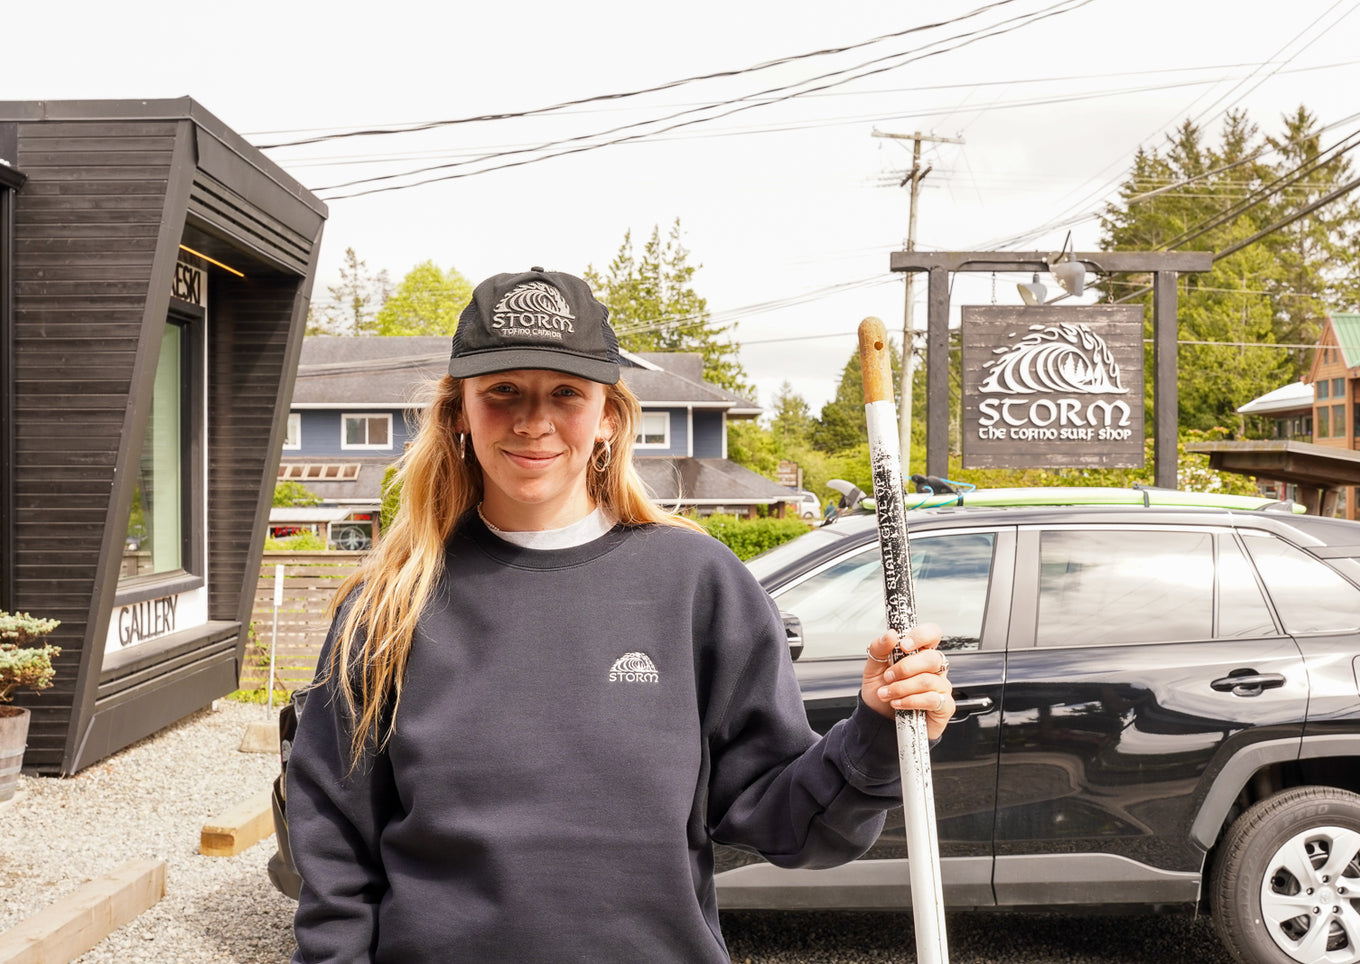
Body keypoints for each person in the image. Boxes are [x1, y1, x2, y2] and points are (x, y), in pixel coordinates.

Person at [287, 267, 955, 963]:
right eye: (502, 392)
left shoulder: (696, 583)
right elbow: (335, 849)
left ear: (608, 415)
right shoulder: (390, 602)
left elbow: (796, 829)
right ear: (458, 413)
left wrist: (877, 731)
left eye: (565, 393)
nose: (532, 420)